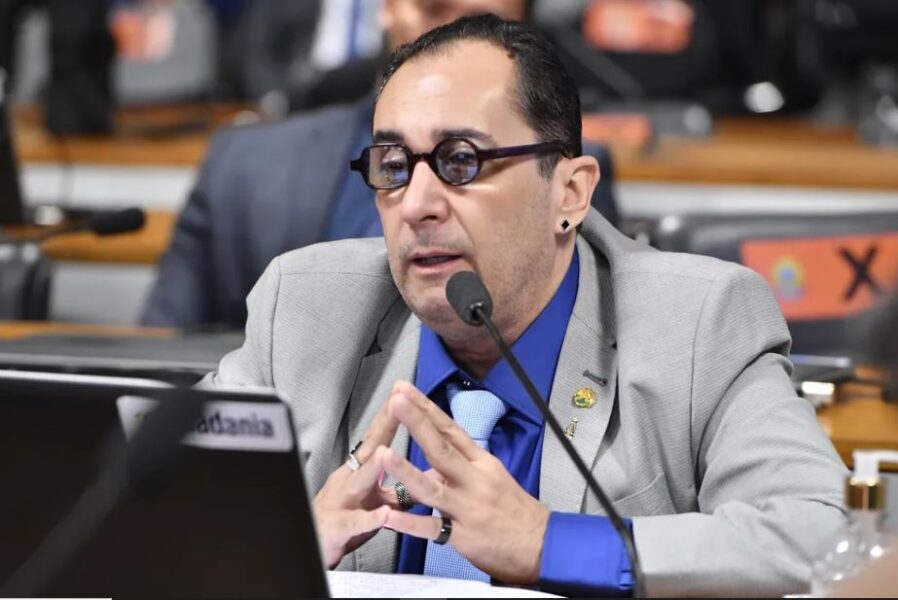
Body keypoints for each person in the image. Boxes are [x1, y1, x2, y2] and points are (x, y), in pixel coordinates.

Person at [204, 14, 847, 597]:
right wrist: (279, 552)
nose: (417, 204)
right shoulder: (305, 311)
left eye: (461, 161)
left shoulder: (701, 323)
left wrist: (547, 543)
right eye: (394, 165)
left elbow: (820, 539)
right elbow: (154, 514)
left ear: (569, 192)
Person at [141, 0, 620, 330]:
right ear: (386, 8)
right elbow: (158, 367)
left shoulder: (558, 168)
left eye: (479, 21)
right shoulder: (243, 165)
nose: (452, 40)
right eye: (433, 8)